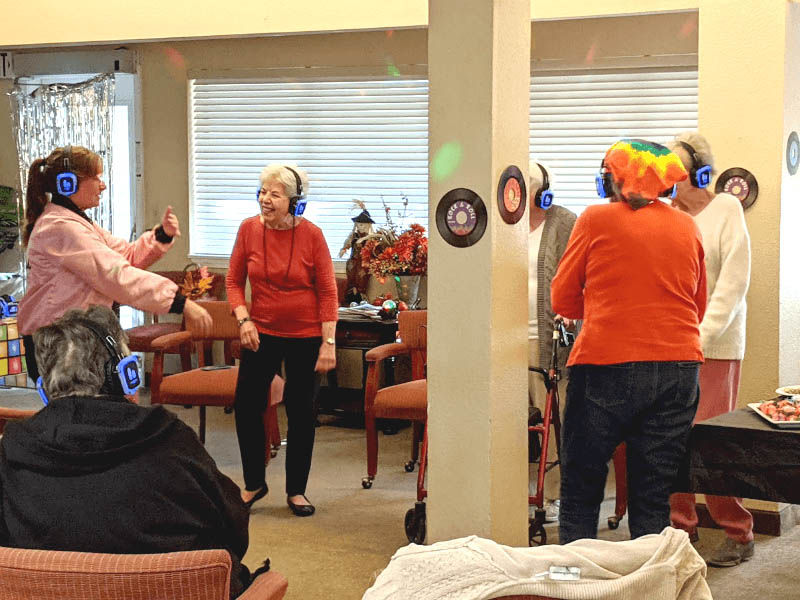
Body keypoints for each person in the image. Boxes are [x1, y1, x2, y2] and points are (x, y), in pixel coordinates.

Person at [0, 306, 252, 598]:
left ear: (44, 388)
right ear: (123, 373)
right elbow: (234, 529)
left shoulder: (11, 450)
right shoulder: (172, 438)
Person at [551, 139, 707, 544]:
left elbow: (562, 298)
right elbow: (698, 306)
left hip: (605, 365)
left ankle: (573, 585)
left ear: (612, 180)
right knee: (653, 494)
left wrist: (606, 305)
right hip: (679, 369)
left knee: (582, 486)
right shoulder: (688, 226)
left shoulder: (594, 220)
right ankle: (648, 585)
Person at [18, 145, 212, 379]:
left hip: (72, 338)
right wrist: (179, 302)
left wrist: (161, 236)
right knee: (85, 414)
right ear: (67, 183)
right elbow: (115, 275)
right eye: (97, 178)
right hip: (59, 344)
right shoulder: (61, 227)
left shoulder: (74, 222)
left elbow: (125, 256)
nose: (103, 185)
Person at [227, 163, 338, 517]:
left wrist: (328, 342)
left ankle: (296, 491)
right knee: (246, 406)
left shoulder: (313, 235)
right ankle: (254, 483)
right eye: (262, 192)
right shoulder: (247, 230)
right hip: (260, 332)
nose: (265, 200)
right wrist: (243, 319)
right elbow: (232, 281)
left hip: (305, 335)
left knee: (302, 412)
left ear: (295, 201)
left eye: (275, 194)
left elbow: (328, 291)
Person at [667, 132, 754, 567]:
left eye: (677, 171)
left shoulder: (726, 209)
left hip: (715, 347)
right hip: (670, 348)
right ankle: (680, 529)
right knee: (670, 439)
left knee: (712, 441)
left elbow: (733, 284)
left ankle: (739, 532)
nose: (669, 179)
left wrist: (699, 337)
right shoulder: (667, 215)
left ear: (701, 172)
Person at [527, 160, 577, 523]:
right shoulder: (499, 221)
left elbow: (586, 275)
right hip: (503, 339)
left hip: (550, 341)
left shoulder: (565, 223)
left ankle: (560, 496)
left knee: (559, 422)